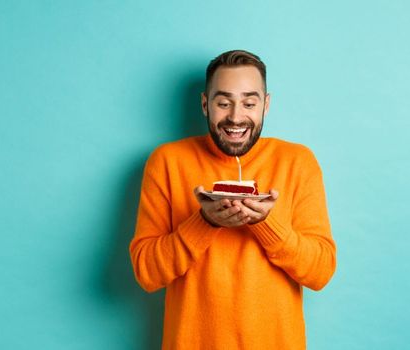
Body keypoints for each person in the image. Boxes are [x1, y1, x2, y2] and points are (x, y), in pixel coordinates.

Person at [129, 49, 336, 349]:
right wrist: (204, 222)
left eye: (249, 103)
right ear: (205, 104)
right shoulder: (167, 162)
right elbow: (146, 273)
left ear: (265, 105)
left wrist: (266, 223)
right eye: (223, 103)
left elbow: (320, 272)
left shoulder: (298, 162)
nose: (236, 117)